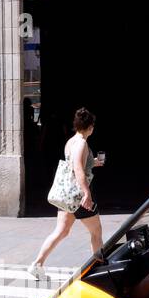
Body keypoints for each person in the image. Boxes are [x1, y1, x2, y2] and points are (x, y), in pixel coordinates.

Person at [28, 107, 104, 279]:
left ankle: (37, 264)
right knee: (96, 232)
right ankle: (99, 268)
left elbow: (76, 163)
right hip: (78, 196)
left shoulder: (71, 141)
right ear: (90, 127)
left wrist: (93, 163)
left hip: (67, 195)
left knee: (61, 231)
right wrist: (87, 194)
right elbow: (77, 168)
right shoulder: (82, 143)